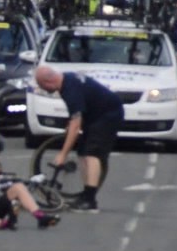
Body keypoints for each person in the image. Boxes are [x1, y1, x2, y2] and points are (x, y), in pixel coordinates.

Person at [33, 65, 124, 212]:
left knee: (92, 154)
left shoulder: (70, 89)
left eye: (42, 86)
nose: (43, 90)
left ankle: (90, 201)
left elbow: (76, 126)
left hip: (108, 115)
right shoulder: (66, 79)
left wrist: (63, 154)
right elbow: (77, 113)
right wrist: (72, 123)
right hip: (93, 114)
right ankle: (85, 193)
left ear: (48, 82)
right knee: (82, 152)